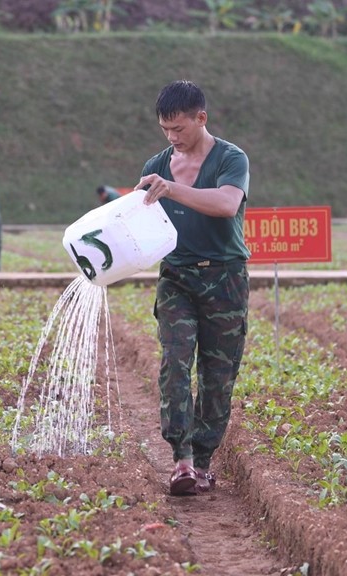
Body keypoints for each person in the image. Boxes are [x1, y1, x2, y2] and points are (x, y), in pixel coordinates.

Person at [133, 80, 250, 496]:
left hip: (225, 278)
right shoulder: (156, 164)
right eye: (165, 130)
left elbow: (226, 204)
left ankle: (202, 462)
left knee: (218, 375)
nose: (172, 138)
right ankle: (180, 460)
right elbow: (137, 225)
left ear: (201, 118)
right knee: (176, 362)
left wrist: (173, 190)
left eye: (179, 129)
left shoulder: (231, 158)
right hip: (177, 277)